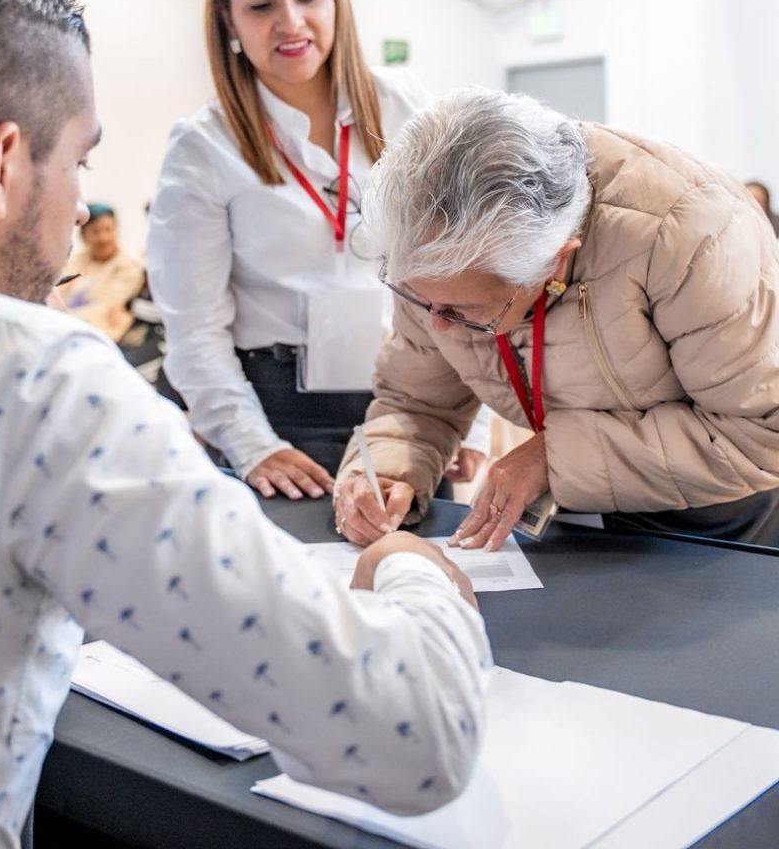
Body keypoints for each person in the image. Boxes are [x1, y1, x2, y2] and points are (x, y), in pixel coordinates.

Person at [0, 0, 490, 849]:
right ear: (3, 165)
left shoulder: (404, 114)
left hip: (392, 401)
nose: (292, 23)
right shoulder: (39, 384)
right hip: (275, 417)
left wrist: (438, 420)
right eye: (80, 168)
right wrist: (412, 568)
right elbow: (414, 737)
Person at [334, 88, 779, 549]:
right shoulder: (431, 252)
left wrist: (552, 458)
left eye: (465, 312)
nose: (438, 324)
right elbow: (417, 401)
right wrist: (384, 473)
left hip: (728, 515)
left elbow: (764, 430)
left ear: (555, 265)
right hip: (584, 503)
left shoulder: (690, 234)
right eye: (419, 299)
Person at [146, 0, 489, 503]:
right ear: (227, 17)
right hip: (279, 419)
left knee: (416, 580)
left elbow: (468, 271)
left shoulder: (402, 104)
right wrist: (252, 445)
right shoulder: (203, 146)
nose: (291, 22)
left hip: (410, 407)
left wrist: (471, 416)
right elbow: (195, 332)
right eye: (260, 5)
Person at [62, 201, 144, 341]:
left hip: (101, 334)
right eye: (95, 231)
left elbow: (106, 306)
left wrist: (61, 317)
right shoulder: (79, 260)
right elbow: (58, 290)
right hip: (67, 326)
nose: (103, 238)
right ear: (83, 235)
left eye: (108, 229)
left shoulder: (130, 264)